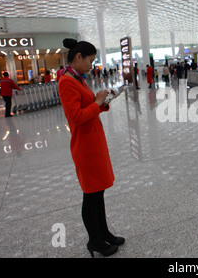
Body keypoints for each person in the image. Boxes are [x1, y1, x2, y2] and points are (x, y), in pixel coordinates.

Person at [57, 38, 124, 258]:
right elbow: (76, 117)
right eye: (90, 60)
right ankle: (94, 240)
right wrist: (97, 103)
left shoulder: (78, 78)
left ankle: (103, 232)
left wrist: (101, 102)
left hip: (94, 140)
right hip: (85, 144)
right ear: (78, 57)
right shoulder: (66, 81)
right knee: (91, 194)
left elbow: (87, 107)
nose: (91, 65)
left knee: (99, 191)